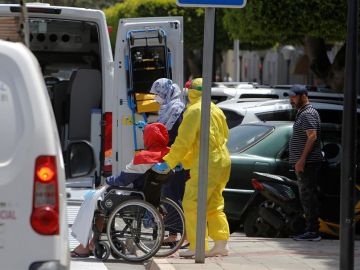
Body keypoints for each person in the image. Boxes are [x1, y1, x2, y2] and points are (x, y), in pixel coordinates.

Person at [152, 78, 231, 258]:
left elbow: (183, 141)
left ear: (191, 92)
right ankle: (220, 244)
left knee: (192, 203)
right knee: (214, 204)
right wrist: (186, 160)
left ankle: (197, 246)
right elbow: (222, 136)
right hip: (223, 160)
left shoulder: (194, 111)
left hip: (206, 163)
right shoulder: (216, 110)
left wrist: (169, 162)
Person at [70, 122, 170, 257]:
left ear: (149, 138)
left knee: (97, 201)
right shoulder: (167, 154)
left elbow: (124, 179)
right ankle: (91, 242)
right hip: (147, 196)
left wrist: (107, 183)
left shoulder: (145, 157)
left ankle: (86, 245)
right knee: (100, 200)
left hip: (134, 196)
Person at [149, 78, 188, 245]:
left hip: (177, 159)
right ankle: (176, 234)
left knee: (173, 195)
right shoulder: (168, 108)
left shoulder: (176, 109)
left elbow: (173, 135)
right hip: (169, 157)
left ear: (166, 92)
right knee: (171, 194)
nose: (156, 97)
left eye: (158, 93)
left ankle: (178, 235)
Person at [288, 84, 323, 241]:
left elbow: (312, 136)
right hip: (305, 163)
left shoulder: (308, 113)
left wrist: (301, 160)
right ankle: (311, 229)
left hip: (308, 163)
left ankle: (313, 231)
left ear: (304, 96)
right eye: (291, 97)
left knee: (308, 197)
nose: (292, 100)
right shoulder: (303, 112)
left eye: (294, 97)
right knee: (306, 197)